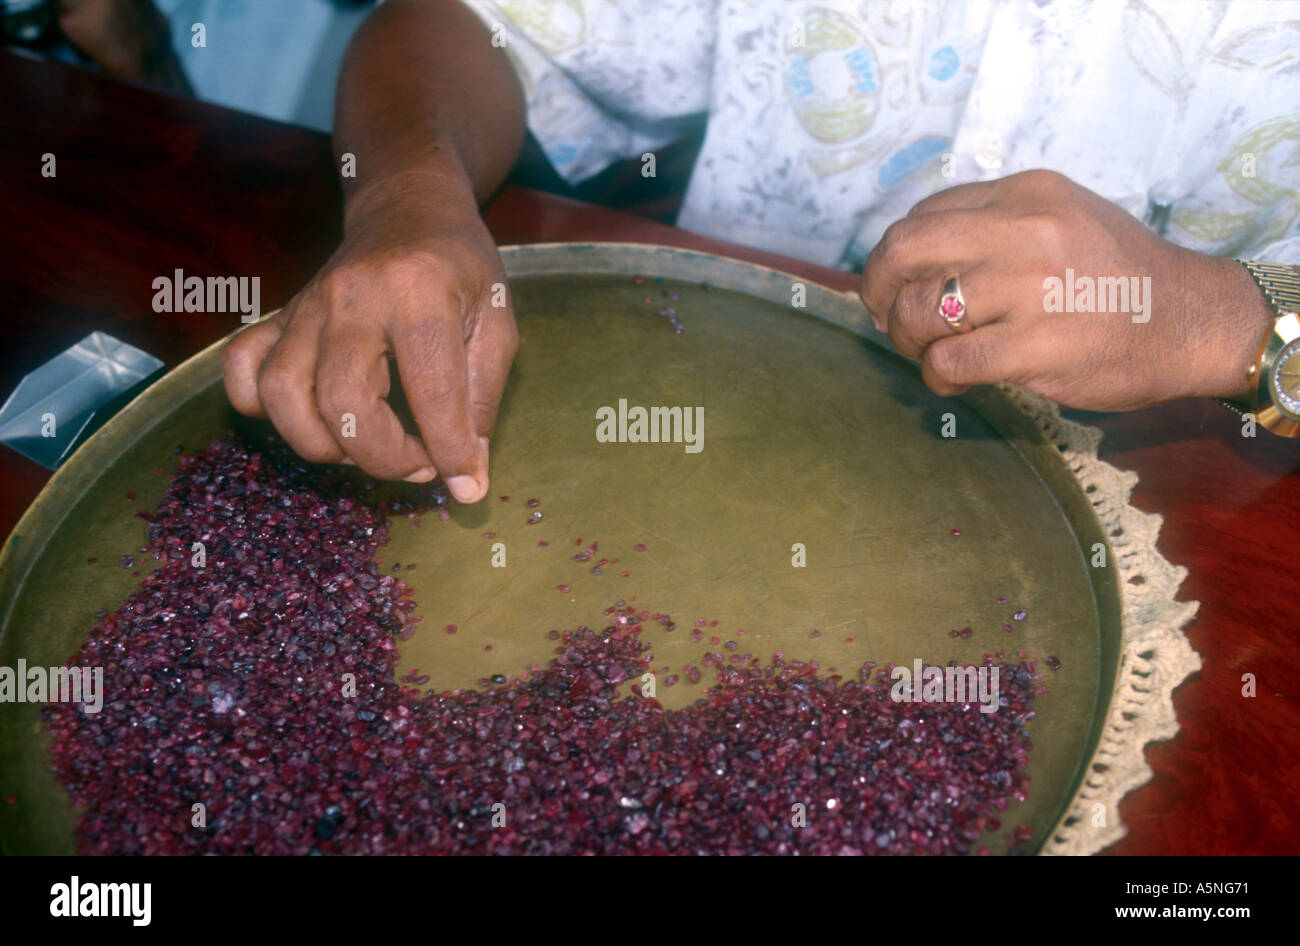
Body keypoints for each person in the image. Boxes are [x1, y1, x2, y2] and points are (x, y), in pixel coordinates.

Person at [218, 0, 1300, 503]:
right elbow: (470, 26)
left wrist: (1222, 320)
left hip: (1198, 501)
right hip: (720, 445)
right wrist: (409, 198)